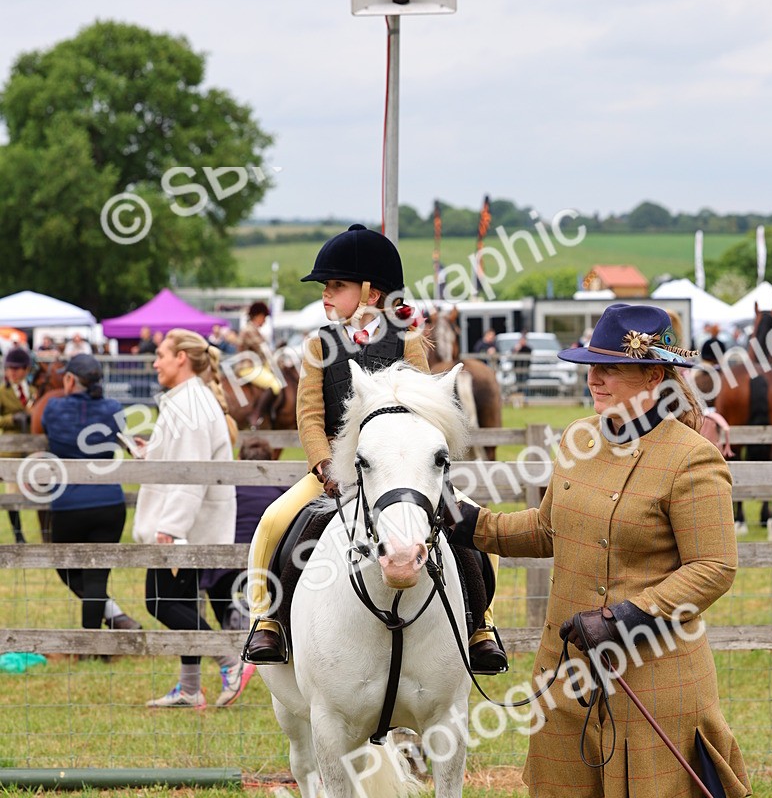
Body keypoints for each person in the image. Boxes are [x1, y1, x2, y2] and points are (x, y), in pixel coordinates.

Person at [450, 303, 751, 798]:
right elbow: (550, 528)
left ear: (652, 375)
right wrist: (473, 525)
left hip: (657, 668)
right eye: (593, 369)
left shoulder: (690, 456)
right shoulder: (579, 441)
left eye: (611, 371)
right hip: (576, 671)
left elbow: (714, 567)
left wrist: (626, 615)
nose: (596, 382)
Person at [243, 223, 507, 673]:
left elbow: (426, 402)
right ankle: (269, 621)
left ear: (369, 291)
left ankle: (480, 623)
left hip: (401, 472)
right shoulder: (317, 345)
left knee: (476, 530)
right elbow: (309, 416)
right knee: (274, 523)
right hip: (336, 471)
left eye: (336, 285)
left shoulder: (404, 338)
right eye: (326, 287)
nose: (326, 294)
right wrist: (322, 464)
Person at [133, 328, 248, 709]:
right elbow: (181, 459)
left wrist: (172, 528)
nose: (155, 361)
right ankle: (189, 688)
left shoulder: (191, 406)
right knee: (179, 601)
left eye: (161, 354)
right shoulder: (188, 401)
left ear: (181, 357)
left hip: (184, 525)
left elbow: (191, 474)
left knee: (160, 601)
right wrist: (152, 452)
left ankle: (229, 660)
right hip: (187, 521)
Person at [40, 354, 141, 639]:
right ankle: (101, 635)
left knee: (66, 569)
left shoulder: (53, 407)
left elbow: (46, 430)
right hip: (109, 502)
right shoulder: (112, 408)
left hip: (68, 504)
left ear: (70, 380)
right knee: (96, 575)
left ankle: (98, 635)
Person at [200, 435, 289, 632]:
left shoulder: (227, 489)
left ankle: (234, 645)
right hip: (271, 572)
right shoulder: (284, 491)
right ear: (272, 462)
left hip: (225, 572)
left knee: (230, 620)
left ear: (239, 459)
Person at [0, 346, 35, 543]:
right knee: (12, 493)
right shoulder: (2, 392)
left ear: (26, 370)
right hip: (11, 450)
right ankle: (18, 533)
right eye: (9, 368)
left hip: (33, 449)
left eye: (17, 368)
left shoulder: (36, 390)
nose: (12, 372)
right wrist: (13, 419)